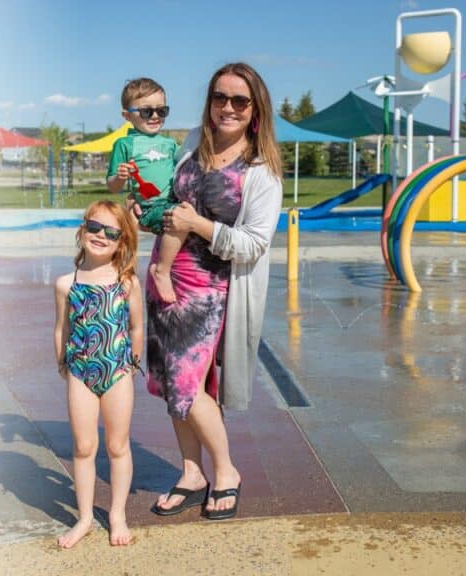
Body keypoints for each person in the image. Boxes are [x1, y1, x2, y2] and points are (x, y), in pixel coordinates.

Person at [130, 62, 282, 520]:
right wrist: (150, 212)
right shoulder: (193, 143)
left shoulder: (261, 171)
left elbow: (254, 243)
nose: (228, 107)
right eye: (221, 97)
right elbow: (175, 203)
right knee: (167, 382)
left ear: (255, 109)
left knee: (186, 382)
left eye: (239, 100)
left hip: (211, 290)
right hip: (166, 273)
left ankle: (227, 471)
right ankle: (192, 473)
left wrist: (199, 224)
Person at [53, 200, 144, 548]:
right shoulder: (66, 284)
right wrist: (63, 364)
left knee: (118, 445)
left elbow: (137, 327)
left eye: (110, 232)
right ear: (82, 230)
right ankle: (86, 518)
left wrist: (132, 364)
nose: (100, 236)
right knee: (83, 446)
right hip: (80, 372)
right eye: (94, 227)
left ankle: (117, 514)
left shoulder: (126, 283)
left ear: (121, 242)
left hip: (118, 371)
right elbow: (61, 329)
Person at [106, 77, 184, 304]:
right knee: (177, 218)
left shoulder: (169, 144)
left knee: (184, 213)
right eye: (146, 112)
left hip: (171, 200)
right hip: (150, 206)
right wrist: (119, 178)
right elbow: (112, 186)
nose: (155, 116)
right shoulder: (125, 144)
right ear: (127, 115)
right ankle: (162, 270)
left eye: (162, 110)